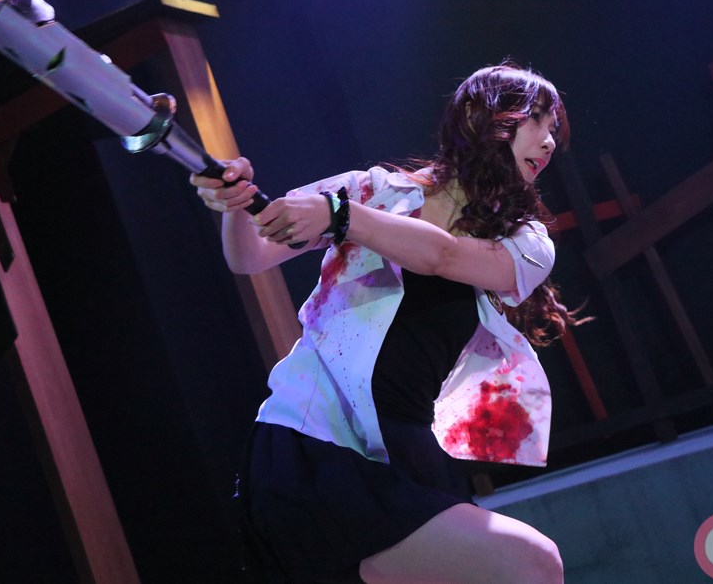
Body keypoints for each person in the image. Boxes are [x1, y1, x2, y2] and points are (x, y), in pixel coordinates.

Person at [191, 62, 576, 583]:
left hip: (403, 451)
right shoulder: (371, 191)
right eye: (538, 122)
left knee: (526, 565)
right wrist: (236, 205)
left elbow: (441, 256)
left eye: (554, 130)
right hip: (312, 439)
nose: (550, 142)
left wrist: (342, 216)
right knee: (531, 562)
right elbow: (251, 254)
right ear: (478, 117)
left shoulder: (527, 242)